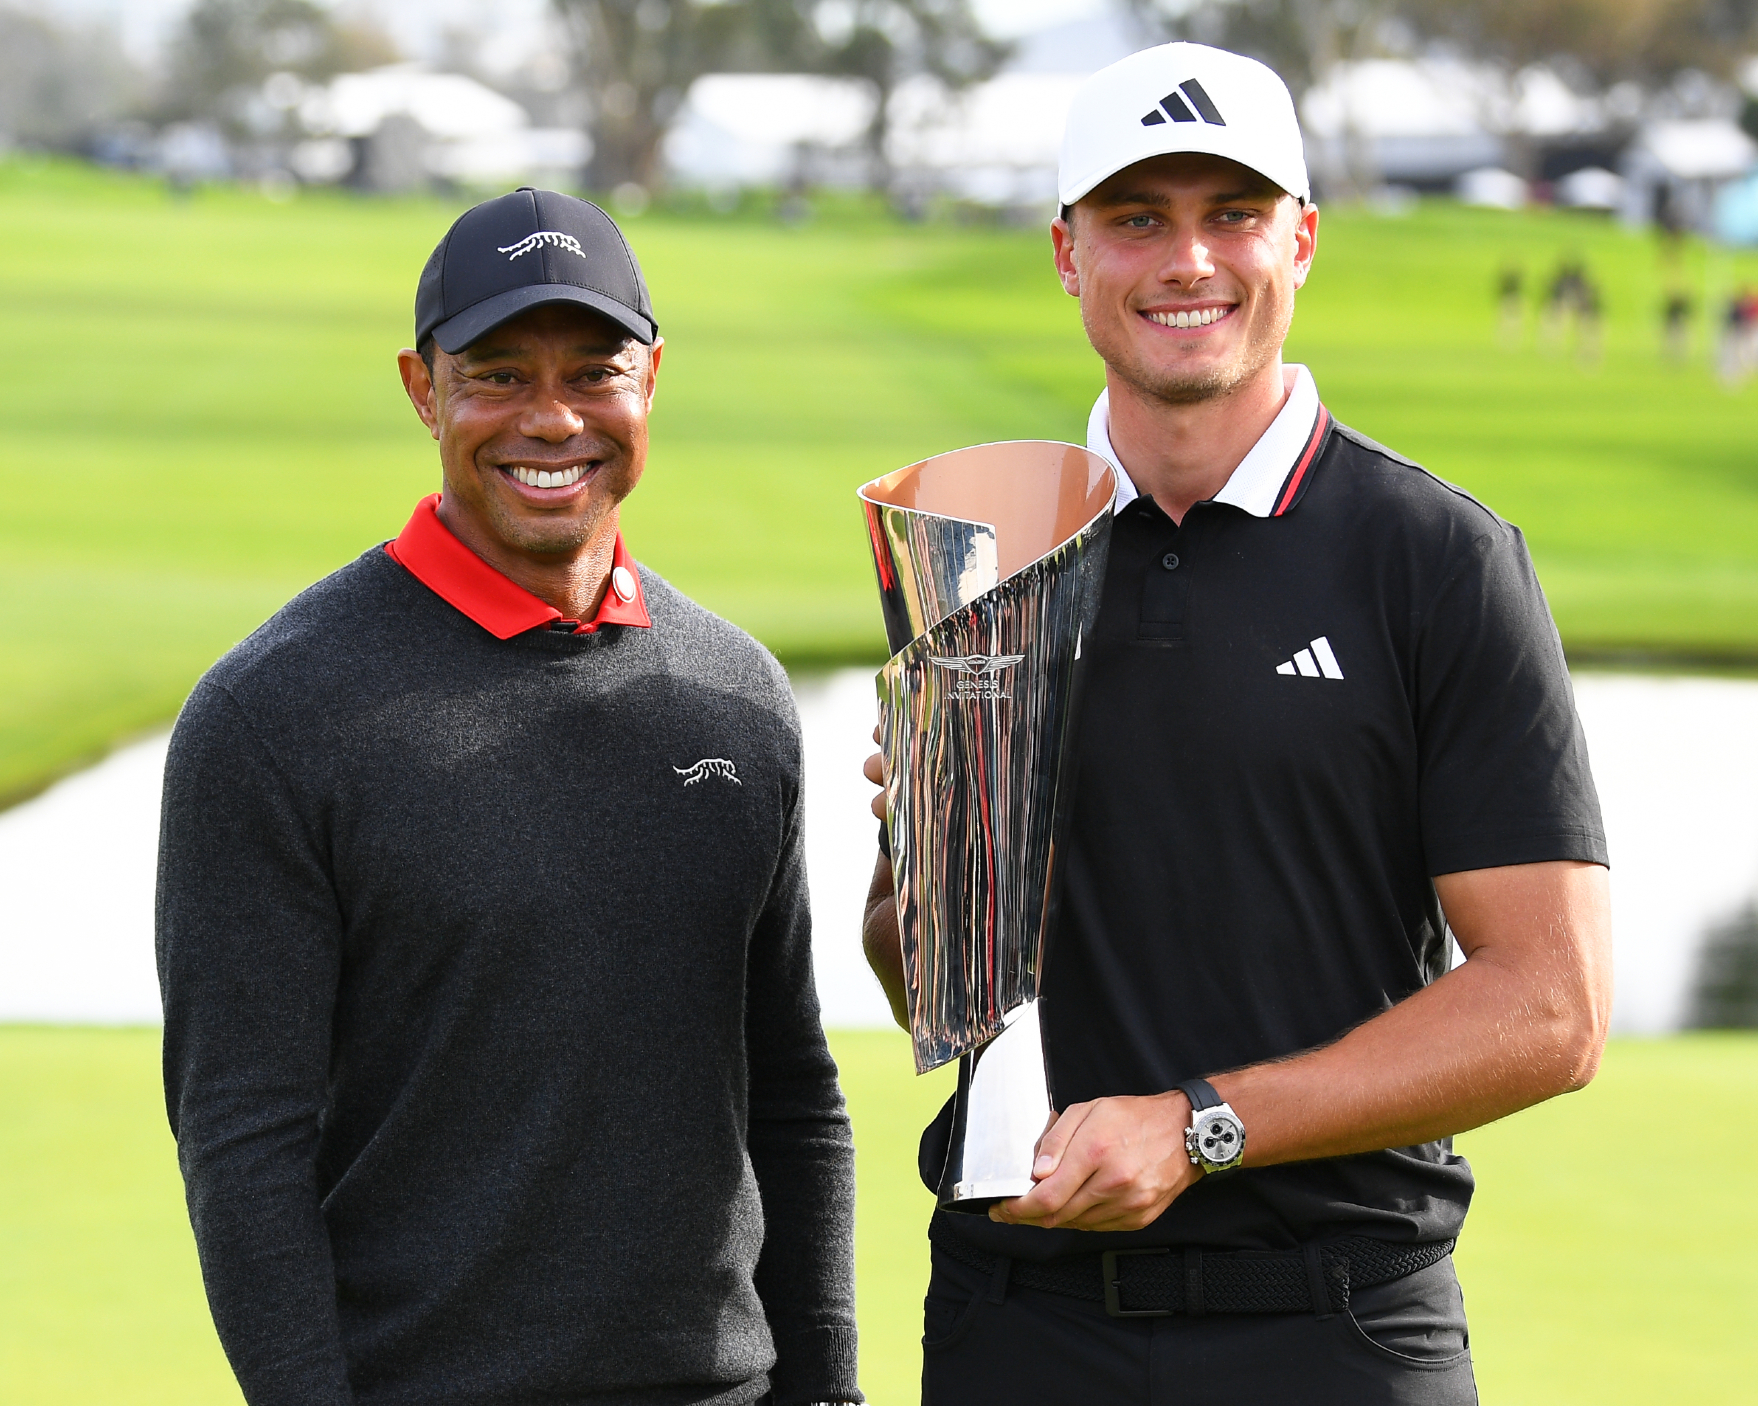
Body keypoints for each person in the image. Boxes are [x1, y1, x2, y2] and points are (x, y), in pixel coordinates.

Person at [859, 44, 1610, 1405]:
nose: (1186, 260)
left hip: (1332, 1323)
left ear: (1303, 239)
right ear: (1067, 251)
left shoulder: (1433, 558)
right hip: (1016, 1319)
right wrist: (923, 857)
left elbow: (1550, 1006)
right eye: (1138, 218)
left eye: (1233, 215)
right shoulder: (983, 546)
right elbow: (932, 992)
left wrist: (1199, 1126)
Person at [157, 188, 860, 1406]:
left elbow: (790, 1089)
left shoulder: (732, 692)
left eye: (595, 372)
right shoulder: (272, 714)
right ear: (422, 388)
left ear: (651, 381)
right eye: (495, 375)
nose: (552, 420)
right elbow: (241, 1143)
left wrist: (831, 1387)